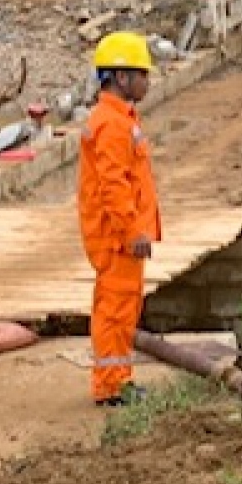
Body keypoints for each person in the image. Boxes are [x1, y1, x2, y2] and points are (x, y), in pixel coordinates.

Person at [78, 31, 162, 408]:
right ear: (122, 77)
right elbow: (114, 184)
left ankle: (116, 380)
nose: (147, 81)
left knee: (120, 307)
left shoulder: (117, 119)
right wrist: (133, 230)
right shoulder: (112, 124)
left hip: (118, 233)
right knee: (116, 309)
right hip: (117, 236)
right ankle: (111, 385)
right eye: (142, 74)